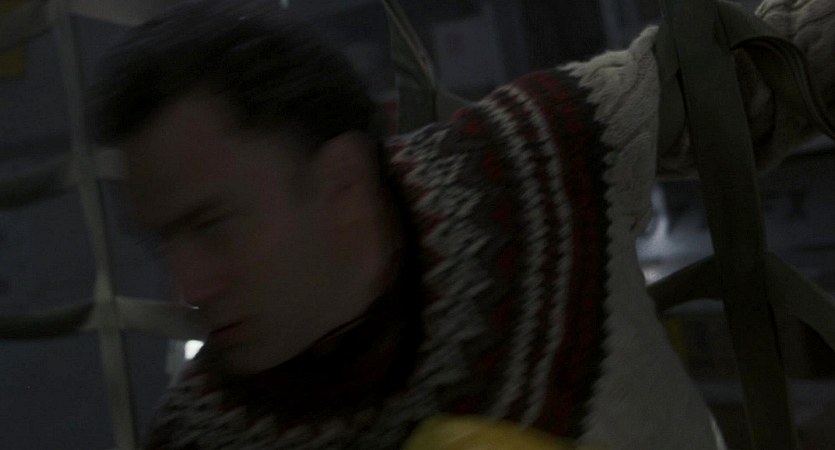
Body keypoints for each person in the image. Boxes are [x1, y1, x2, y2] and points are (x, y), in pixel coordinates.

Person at [90, 0, 834, 448]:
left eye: (213, 226)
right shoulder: (200, 437)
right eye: (164, 241)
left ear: (339, 181)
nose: (188, 287)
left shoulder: (530, 158)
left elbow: (753, 75)